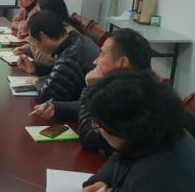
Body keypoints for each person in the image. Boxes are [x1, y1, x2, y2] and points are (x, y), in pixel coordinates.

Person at [33, 28, 153, 157]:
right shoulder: (136, 82)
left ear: (122, 62)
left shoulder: (132, 96)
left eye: (102, 54)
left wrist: (90, 88)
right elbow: (96, 109)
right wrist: (57, 108)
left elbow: (89, 137)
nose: (95, 61)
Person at [23, 11, 99, 102]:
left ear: (42, 36)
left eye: (33, 40)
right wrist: (35, 67)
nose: (34, 44)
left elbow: (48, 95)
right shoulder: (77, 39)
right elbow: (60, 71)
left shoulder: (71, 55)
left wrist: (37, 82)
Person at [14, 0, 85, 65]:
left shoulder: (64, 33)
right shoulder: (59, 26)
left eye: (38, 11)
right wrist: (27, 48)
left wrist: (32, 40)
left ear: (50, 14)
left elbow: (42, 60)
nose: (36, 14)